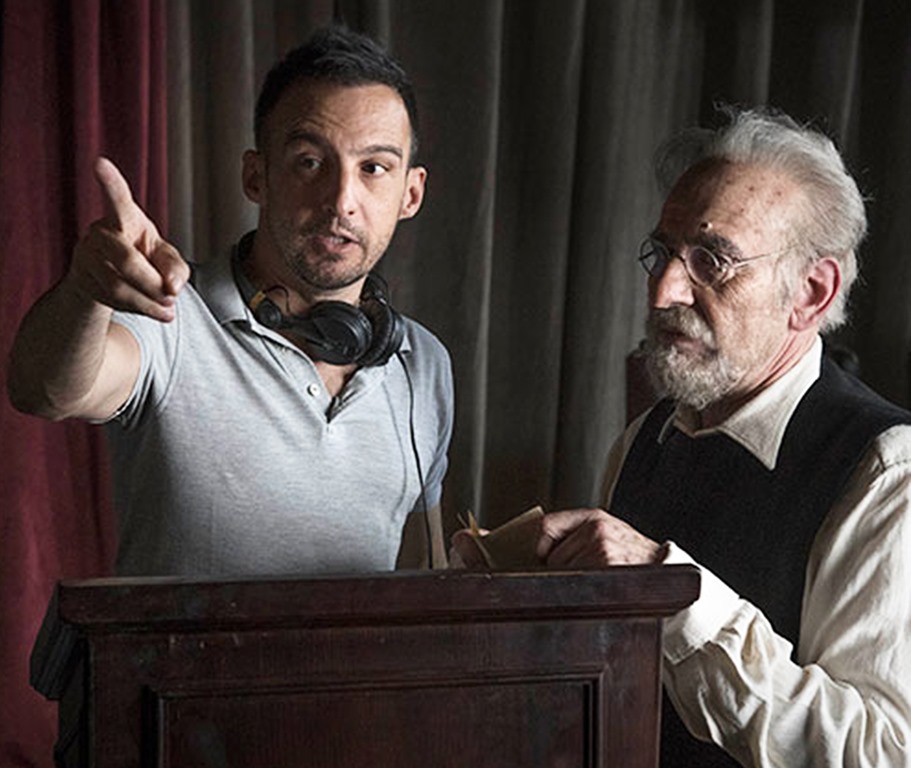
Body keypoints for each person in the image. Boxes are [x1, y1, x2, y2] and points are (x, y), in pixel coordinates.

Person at [454, 107, 911, 766]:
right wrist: (524, 602)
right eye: (663, 253)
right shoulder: (647, 438)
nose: (664, 290)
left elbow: (879, 752)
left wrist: (669, 590)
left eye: (712, 261)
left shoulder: (885, 473)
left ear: (811, 293)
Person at [7, 25, 453, 576]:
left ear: (411, 193)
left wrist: (521, 564)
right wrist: (85, 293)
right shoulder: (169, 315)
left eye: (373, 168)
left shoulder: (423, 364)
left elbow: (425, 572)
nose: (342, 200)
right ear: (256, 176)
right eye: (309, 161)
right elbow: (46, 390)